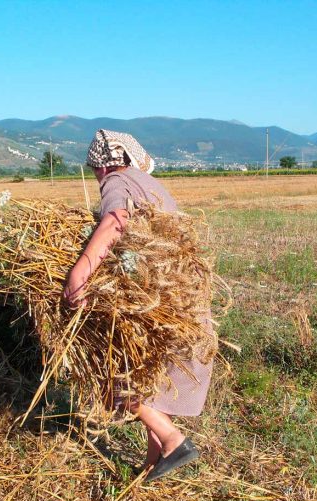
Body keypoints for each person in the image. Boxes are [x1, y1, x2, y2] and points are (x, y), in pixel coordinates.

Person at [63, 129, 212, 482]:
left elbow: (116, 220)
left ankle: (174, 441)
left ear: (105, 165)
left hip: (150, 303)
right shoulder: (151, 184)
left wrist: (80, 273)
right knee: (152, 384)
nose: (98, 176)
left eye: (95, 169)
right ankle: (152, 464)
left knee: (117, 380)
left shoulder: (116, 179)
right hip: (177, 298)